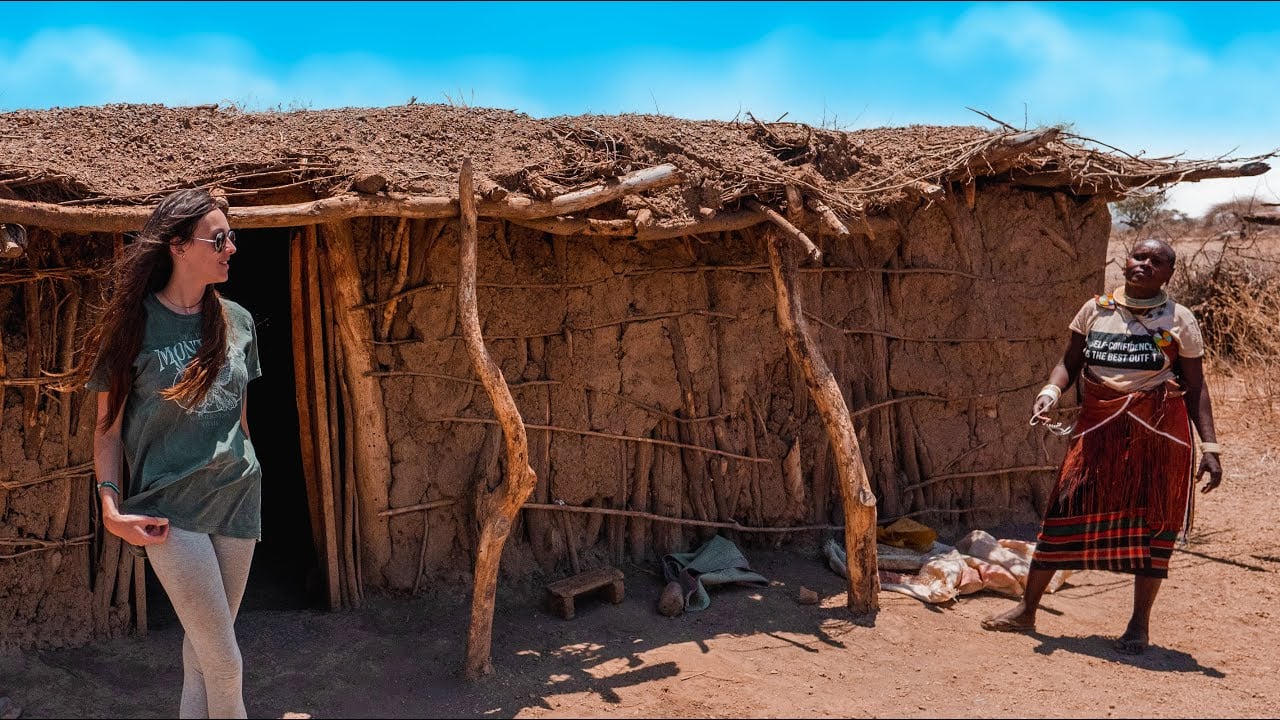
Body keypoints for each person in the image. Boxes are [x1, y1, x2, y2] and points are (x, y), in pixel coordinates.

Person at [981, 238, 1222, 654]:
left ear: (1169, 273)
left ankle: (1138, 626)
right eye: (1138, 256)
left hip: (1159, 436)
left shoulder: (1179, 319)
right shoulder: (1095, 310)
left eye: (1156, 261)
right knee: (1060, 514)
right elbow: (1069, 364)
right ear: (1125, 261)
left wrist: (1212, 448)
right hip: (1096, 432)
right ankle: (1027, 610)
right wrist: (1050, 393)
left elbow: (1196, 387)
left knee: (1155, 527)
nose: (1144, 264)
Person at [79, 188, 262, 717]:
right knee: (225, 660)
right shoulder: (132, 326)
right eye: (220, 239)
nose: (232, 249)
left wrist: (253, 466)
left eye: (233, 238)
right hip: (168, 511)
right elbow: (108, 430)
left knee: (204, 652)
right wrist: (111, 508)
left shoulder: (240, 322)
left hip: (237, 501)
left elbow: (240, 416)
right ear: (179, 246)